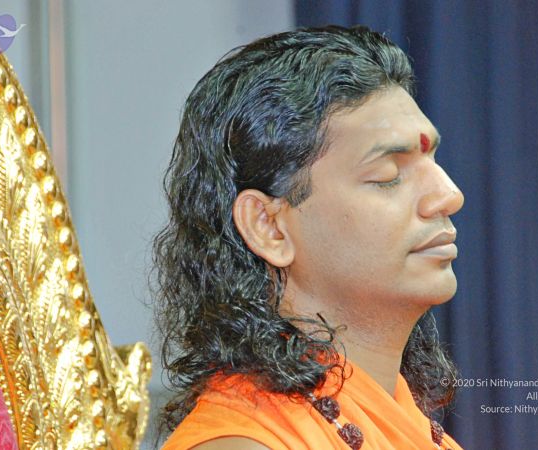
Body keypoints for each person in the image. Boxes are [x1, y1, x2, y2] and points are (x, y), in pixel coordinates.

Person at [153, 25, 465, 449]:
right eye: (388, 174)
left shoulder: (420, 432)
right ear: (268, 227)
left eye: (432, 160)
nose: (449, 195)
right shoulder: (245, 442)